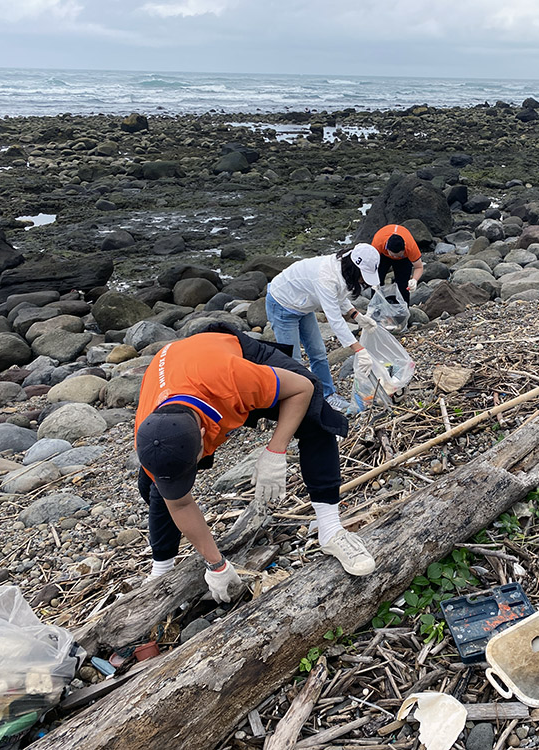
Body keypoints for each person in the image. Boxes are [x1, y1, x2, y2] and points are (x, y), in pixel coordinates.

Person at [135, 326, 376, 603]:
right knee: (157, 486)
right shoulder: (148, 432)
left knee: (315, 414)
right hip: (179, 369)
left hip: (224, 356)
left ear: (204, 435)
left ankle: (331, 530)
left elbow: (302, 389)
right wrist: (216, 564)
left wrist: (275, 450)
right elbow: (178, 503)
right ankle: (161, 569)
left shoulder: (236, 379)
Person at [265, 244, 380, 413]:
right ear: (355, 269)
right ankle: (299, 404)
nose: (363, 281)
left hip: (303, 304)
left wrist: (357, 316)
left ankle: (328, 395)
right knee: (293, 360)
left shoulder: (343, 268)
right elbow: (335, 319)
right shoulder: (326, 277)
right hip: (282, 304)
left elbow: (338, 296)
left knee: (318, 352)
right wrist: (359, 350)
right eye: (363, 276)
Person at [371, 224, 424, 304]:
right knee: (377, 281)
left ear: (404, 249)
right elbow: (371, 264)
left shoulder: (410, 247)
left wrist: (414, 280)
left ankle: (403, 308)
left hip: (403, 259)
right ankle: (375, 306)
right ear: (387, 248)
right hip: (383, 255)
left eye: (398, 255)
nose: (395, 257)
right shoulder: (378, 243)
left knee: (403, 285)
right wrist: (372, 280)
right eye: (393, 255)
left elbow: (419, 267)